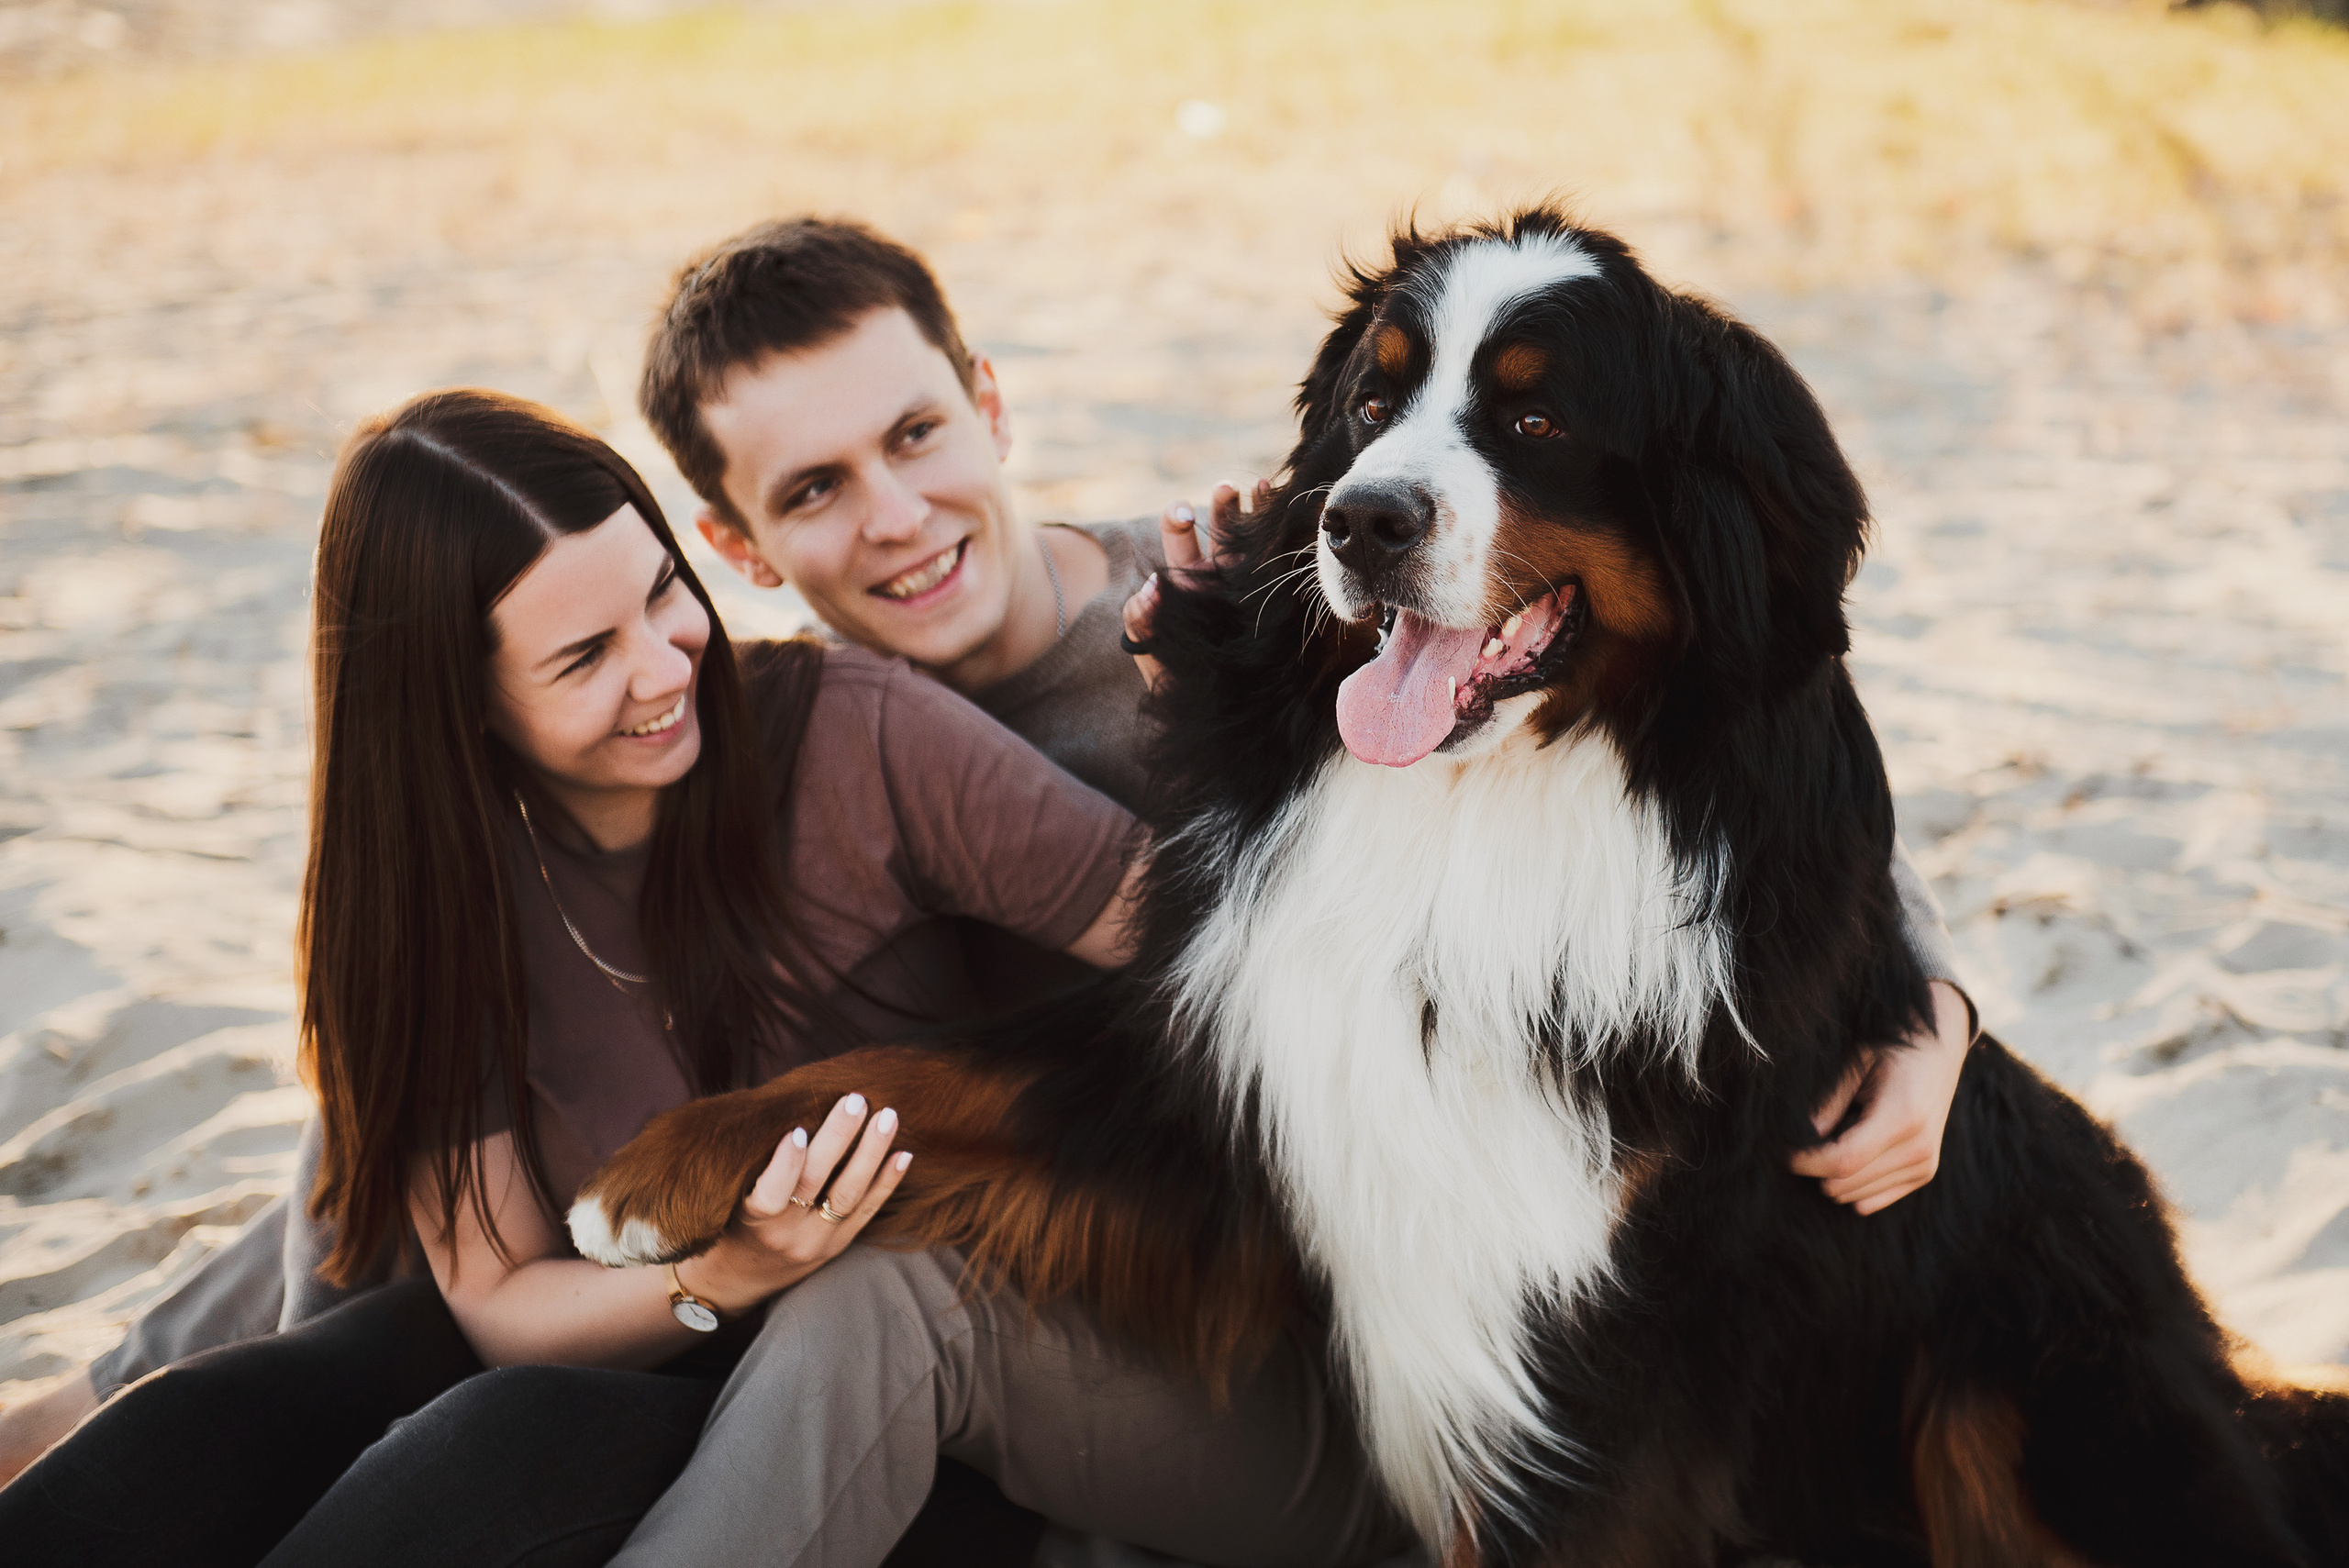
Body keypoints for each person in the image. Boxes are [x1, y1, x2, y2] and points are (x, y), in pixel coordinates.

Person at [0, 218, 1975, 1550]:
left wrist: (1926, 1009)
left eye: (915, 436)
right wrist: (115, 1383)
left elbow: (1685, 837)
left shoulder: (1256, 642)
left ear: (991, 400)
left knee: (792, 1320)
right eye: (810, 493)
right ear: (736, 545)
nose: (897, 516)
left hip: (1171, 1322)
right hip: (784, 1243)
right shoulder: (744, 721)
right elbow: (420, 1149)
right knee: (328, 1343)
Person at [0, 391, 1404, 1567]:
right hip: (663, 1320)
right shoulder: (432, 910)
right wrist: (726, 1270)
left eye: (664, 595)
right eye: (584, 656)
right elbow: (498, 1296)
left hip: (908, 1391)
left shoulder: (853, 732)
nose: (665, 664)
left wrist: (1222, 689)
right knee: (238, 1411)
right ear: (458, 708)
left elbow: (1205, 940)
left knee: (498, 1451)